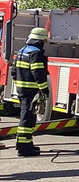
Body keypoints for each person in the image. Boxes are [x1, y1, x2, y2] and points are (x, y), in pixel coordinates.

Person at [11, 27, 50, 156]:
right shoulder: (36, 53)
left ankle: (27, 143)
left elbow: (13, 72)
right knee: (27, 119)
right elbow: (38, 73)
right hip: (31, 91)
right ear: (40, 40)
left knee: (27, 117)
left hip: (22, 90)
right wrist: (44, 90)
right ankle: (24, 148)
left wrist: (19, 86)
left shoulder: (22, 51)